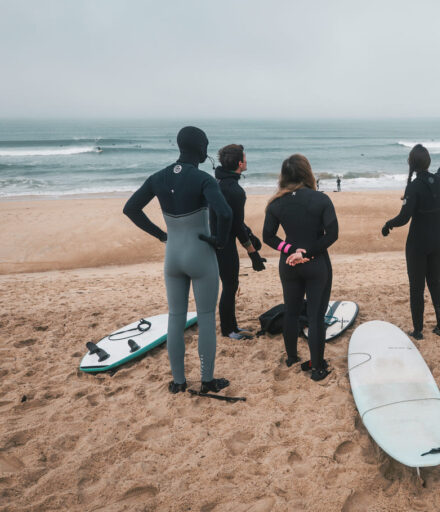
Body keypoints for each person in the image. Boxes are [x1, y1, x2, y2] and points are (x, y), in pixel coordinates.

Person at [123, 126, 233, 394]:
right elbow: (226, 213)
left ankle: (178, 382)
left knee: (176, 317)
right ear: (201, 149)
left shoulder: (158, 177)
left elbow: (131, 209)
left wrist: (162, 235)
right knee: (206, 316)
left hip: (173, 255)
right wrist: (219, 240)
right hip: (200, 254)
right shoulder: (203, 179)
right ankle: (207, 381)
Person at [262, 154, 338, 382]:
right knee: (315, 316)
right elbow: (332, 235)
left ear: (284, 177)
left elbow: (268, 236)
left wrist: (290, 250)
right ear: (308, 173)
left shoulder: (276, 203)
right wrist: (307, 252)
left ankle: (292, 358)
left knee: (292, 312)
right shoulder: (321, 199)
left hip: (289, 265)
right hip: (316, 264)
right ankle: (317, 368)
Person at [381, 145, 440, 340]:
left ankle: (418, 331)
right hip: (439, 239)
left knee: (416, 287)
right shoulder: (438, 181)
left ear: (411, 163)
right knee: (435, 282)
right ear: (428, 162)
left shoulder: (413, 187)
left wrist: (388, 225)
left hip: (418, 243)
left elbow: (404, 217)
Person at [210, 144, 267, 340]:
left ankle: (232, 326)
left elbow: (235, 220)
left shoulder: (215, 181)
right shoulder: (234, 190)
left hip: (212, 240)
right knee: (230, 285)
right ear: (240, 163)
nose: (247, 161)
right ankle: (229, 330)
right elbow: (235, 226)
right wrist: (253, 253)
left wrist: (249, 233)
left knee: (229, 285)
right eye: (245, 158)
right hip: (223, 244)